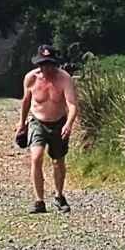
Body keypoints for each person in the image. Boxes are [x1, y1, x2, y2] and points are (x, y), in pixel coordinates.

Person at [19, 43, 78, 214]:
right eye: (43, 64)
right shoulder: (31, 78)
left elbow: (72, 104)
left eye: (49, 64)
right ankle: (39, 200)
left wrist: (69, 123)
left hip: (59, 122)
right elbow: (26, 101)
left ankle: (59, 196)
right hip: (37, 121)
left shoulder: (64, 78)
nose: (46, 68)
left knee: (58, 161)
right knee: (36, 158)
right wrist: (21, 123)